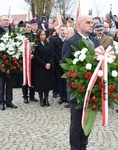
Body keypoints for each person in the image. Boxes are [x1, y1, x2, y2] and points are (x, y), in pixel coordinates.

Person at [62, 15, 100, 150]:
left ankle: (83, 146)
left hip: (93, 89)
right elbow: (65, 64)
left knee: (88, 121)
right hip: (78, 89)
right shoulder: (71, 41)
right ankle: (75, 147)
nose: (91, 25)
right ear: (78, 25)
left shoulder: (95, 41)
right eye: (88, 22)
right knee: (77, 123)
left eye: (92, 23)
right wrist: (81, 77)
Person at [0, 15, 17, 110]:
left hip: (12, 62)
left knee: (10, 83)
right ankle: (1, 102)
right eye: (4, 20)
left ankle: (9, 101)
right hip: (1, 61)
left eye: (7, 20)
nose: (6, 22)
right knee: (1, 84)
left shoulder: (12, 30)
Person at [34, 29, 54, 107]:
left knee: (47, 83)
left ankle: (46, 98)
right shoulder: (36, 44)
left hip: (48, 66)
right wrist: (44, 64)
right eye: (41, 35)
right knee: (40, 83)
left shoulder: (49, 44)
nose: (43, 36)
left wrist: (49, 63)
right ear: (38, 36)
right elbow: (37, 56)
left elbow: (52, 54)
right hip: (40, 67)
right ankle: (41, 99)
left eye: (44, 34)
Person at [49, 25, 68, 104]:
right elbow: (53, 52)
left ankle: (67, 96)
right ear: (59, 31)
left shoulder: (68, 39)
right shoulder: (53, 39)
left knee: (66, 80)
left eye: (65, 30)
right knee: (60, 80)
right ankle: (61, 96)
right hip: (57, 62)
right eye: (62, 30)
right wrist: (59, 60)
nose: (63, 31)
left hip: (66, 62)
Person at [22, 21, 38, 104]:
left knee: (32, 78)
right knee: (25, 78)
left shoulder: (33, 36)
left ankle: (32, 95)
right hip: (24, 61)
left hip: (32, 60)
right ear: (24, 27)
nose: (29, 29)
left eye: (30, 27)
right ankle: (25, 96)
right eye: (27, 27)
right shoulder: (21, 37)